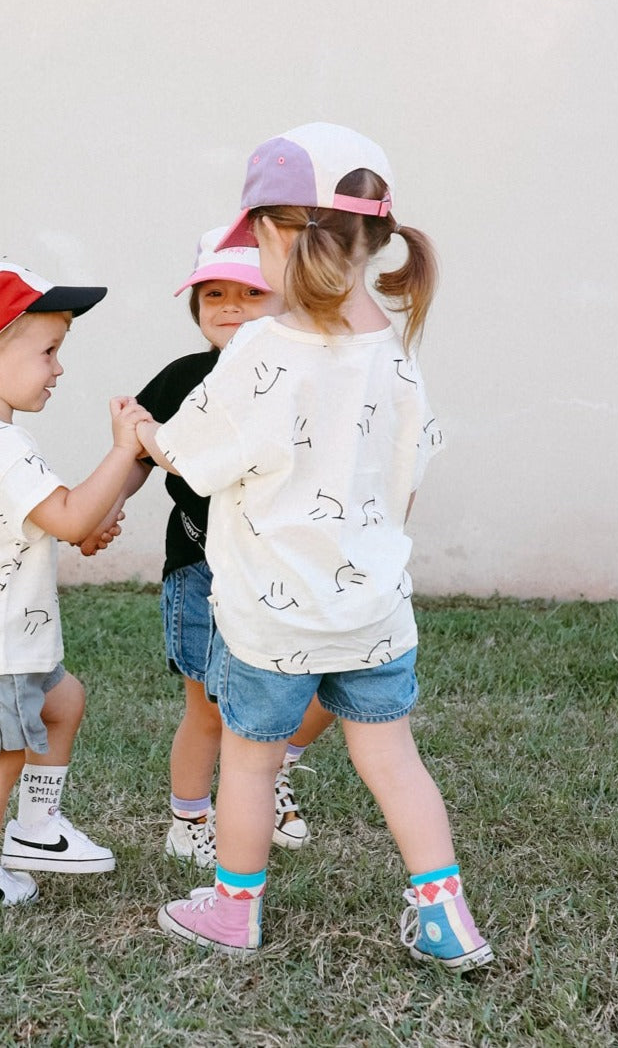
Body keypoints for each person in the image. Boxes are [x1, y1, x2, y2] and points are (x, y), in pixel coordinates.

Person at [137, 123, 493, 971]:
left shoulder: (262, 347)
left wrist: (144, 433)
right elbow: (411, 471)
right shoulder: (391, 352)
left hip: (270, 615)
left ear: (273, 235)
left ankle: (234, 910)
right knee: (394, 759)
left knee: (250, 762)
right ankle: (447, 919)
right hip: (373, 608)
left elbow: (196, 453)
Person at [82, 231, 336, 868]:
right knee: (209, 708)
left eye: (250, 293)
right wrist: (105, 512)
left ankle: (272, 767)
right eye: (213, 294)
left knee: (318, 687)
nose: (229, 305)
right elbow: (136, 452)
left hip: (282, 568)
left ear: (287, 301)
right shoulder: (185, 377)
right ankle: (189, 819)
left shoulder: (302, 375)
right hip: (201, 568)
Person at [0, 261, 151, 915]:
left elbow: (59, 521)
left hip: (4, 642)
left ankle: (38, 831)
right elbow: (70, 515)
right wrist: (123, 451)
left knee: (63, 700)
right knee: (3, 759)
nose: (59, 368)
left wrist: (100, 507)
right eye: (48, 352)